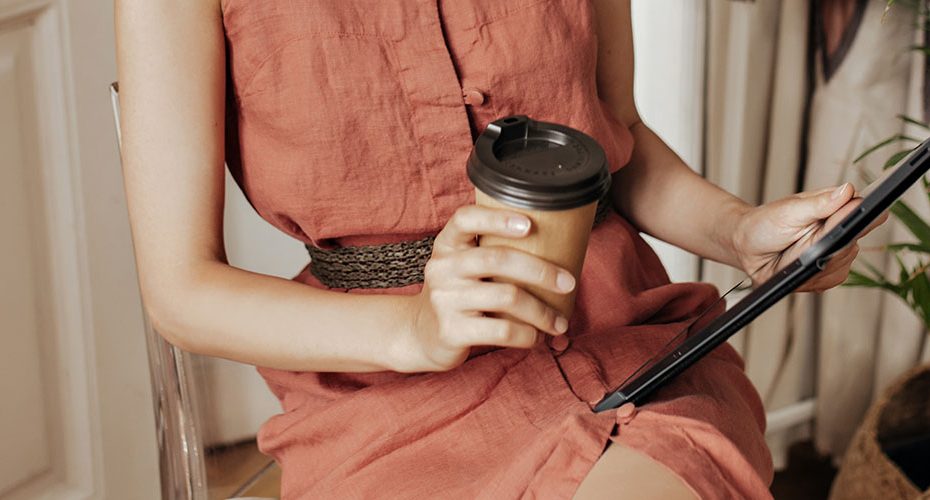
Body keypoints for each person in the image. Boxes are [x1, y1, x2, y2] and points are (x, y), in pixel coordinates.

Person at [114, 0, 885, 498]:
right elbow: (182, 290)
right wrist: (415, 330)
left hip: (626, 350)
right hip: (381, 405)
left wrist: (738, 232)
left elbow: (620, 148)